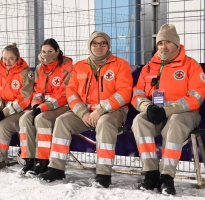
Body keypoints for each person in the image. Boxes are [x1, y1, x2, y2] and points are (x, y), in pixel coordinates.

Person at [38, 31, 133, 188]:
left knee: (104, 122)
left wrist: (100, 110)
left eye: (103, 43)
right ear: (89, 46)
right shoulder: (79, 66)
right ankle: (56, 168)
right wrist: (83, 112)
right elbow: (71, 92)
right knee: (62, 121)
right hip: (85, 112)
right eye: (95, 43)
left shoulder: (120, 64)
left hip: (112, 111)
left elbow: (124, 93)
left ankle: (103, 174)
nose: (99, 46)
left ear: (109, 46)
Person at [131, 24, 205, 195]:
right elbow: (136, 94)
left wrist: (169, 110)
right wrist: (147, 107)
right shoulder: (149, 67)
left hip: (185, 114)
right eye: (160, 43)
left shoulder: (190, 65)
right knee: (139, 121)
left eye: (167, 42)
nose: (163, 47)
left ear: (176, 44)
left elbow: (197, 97)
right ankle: (151, 174)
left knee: (175, 121)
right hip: (156, 112)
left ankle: (167, 177)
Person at [18, 38, 73, 176]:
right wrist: (36, 105)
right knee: (25, 118)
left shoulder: (68, 68)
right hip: (42, 106)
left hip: (63, 106)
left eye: (50, 51)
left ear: (57, 51)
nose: (46, 54)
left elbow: (65, 94)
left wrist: (43, 108)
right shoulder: (39, 68)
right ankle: (29, 159)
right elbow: (37, 91)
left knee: (41, 119)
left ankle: (43, 161)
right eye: (43, 51)